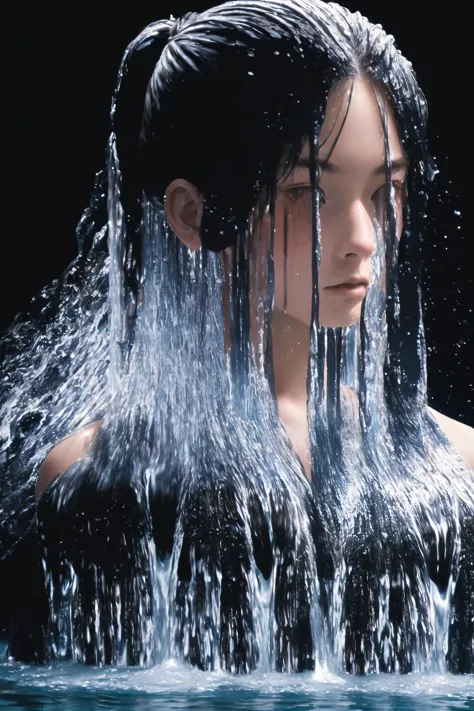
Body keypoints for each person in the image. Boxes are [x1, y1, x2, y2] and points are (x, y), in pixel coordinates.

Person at [2, 0, 474, 675]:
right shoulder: (92, 480)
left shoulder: (455, 472)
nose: (365, 239)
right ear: (193, 214)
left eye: (384, 190)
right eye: (310, 193)